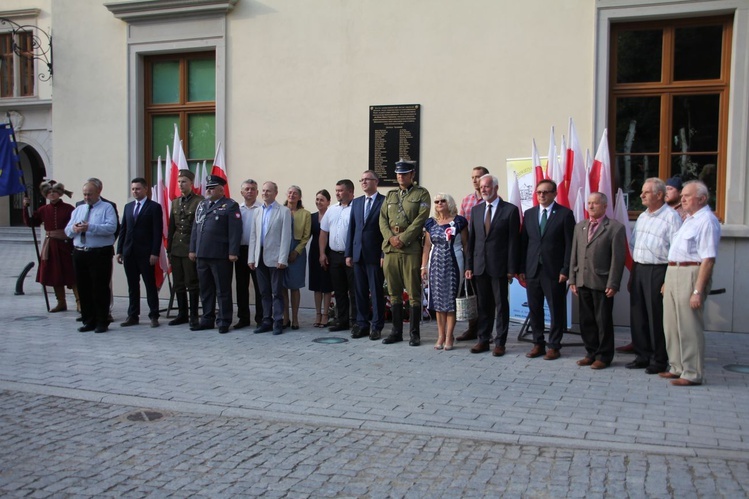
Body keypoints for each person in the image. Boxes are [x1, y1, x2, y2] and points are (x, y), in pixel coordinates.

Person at [661, 180, 720, 386]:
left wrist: (697, 290)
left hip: (691, 272)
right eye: (682, 194)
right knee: (671, 324)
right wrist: (668, 280)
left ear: (702, 199)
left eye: (687, 195)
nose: (682, 198)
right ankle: (677, 366)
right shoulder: (689, 219)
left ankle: (692, 373)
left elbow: (708, 259)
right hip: (674, 271)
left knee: (689, 325)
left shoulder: (707, 221)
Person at [627, 178, 682, 374]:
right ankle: (642, 355)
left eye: (646, 192)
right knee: (638, 314)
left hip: (659, 270)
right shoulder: (642, 216)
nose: (641, 195)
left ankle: (659, 360)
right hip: (640, 267)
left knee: (656, 317)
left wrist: (668, 279)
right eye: (642, 192)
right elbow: (633, 244)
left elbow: (676, 250)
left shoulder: (671, 217)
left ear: (659, 195)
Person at [518, 179, 575, 360]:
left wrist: (565, 269)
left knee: (556, 309)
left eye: (546, 192)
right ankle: (538, 344)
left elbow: (570, 245)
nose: (541, 195)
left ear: (554, 194)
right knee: (535, 309)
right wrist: (521, 268)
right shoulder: (529, 214)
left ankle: (554, 345)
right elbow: (524, 243)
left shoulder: (565, 214)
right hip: (533, 269)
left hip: (554, 271)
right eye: (539, 192)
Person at [569, 192, 626, 370]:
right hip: (582, 280)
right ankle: (591, 352)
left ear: (604, 206)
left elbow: (618, 259)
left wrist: (613, 283)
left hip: (602, 282)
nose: (591, 206)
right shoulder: (580, 226)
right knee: (586, 321)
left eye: (595, 203)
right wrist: (572, 278)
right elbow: (574, 255)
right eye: (589, 203)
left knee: (603, 321)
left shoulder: (615, 228)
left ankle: (604, 356)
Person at [465, 174, 520, 356]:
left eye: (487, 186)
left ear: (496, 188)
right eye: (481, 187)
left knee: (501, 305)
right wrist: (469, 266)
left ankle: (500, 342)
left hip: (500, 267)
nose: (483, 190)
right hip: (480, 266)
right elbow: (472, 241)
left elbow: (514, 242)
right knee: (483, 305)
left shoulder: (510, 210)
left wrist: (512, 269)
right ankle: (483, 339)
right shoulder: (476, 210)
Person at [379, 159, 431, 346]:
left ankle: (414, 333)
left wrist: (403, 238)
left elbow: (420, 220)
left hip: (410, 248)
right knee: (393, 291)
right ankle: (396, 331)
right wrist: (391, 238)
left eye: (405, 173)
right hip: (391, 248)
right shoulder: (391, 195)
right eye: (399, 174)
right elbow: (382, 219)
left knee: (413, 291)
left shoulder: (421, 194)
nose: (401, 176)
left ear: (412, 175)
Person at [189, 175, 242, 334]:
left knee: (222, 290)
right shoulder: (202, 204)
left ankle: (224, 320)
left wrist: (233, 252)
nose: (208, 190)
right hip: (202, 254)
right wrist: (192, 248)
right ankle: (207, 319)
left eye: (212, 188)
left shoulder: (230, 205)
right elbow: (195, 228)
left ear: (221, 189)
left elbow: (235, 231)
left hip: (220, 255)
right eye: (207, 188)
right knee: (205, 289)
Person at [65, 180, 118, 333]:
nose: (87, 197)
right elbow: (67, 230)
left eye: (90, 194)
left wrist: (91, 227)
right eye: (85, 194)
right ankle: (88, 320)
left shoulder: (107, 207)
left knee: (100, 288)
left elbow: (111, 227)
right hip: (80, 252)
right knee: (83, 288)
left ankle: (102, 320)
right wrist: (74, 228)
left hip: (99, 253)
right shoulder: (79, 209)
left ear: (98, 193)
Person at [420, 193, 468, 350]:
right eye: (437, 202)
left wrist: (469, 266)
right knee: (438, 302)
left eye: (443, 201)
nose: (440, 204)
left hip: (454, 263)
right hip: (435, 264)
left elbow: (466, 245)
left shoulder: (459, 222)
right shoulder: (431, 223)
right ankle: (440, 335)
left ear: (450, 203)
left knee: (450, 301)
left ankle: (449, 336)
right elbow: (427, 247)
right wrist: (423, 266)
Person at [23, 180, 77, 313]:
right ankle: (61, 302)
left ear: (59, 193)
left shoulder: (69, 208)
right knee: (55, 274)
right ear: (45, 195)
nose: (52, 194)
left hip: (66, 245)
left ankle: (79, 302)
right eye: (49, 192)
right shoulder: (43, 210)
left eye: (54, 192)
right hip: (51, 246)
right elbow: (31, 222)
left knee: (72, 273)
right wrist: (26, 207)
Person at [116, 178, 164, 328]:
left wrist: (154, 253)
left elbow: (157, 232)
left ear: (145, 189)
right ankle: (133, 315)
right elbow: (123, 229)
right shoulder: (128, 207)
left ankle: (154, 315)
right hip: (129, 252)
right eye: (133, 189)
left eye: (138, 189)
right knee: (132, 286)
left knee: (150, 285)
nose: (135, 191)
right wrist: (119, 250)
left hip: (146, 253)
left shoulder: (154, 207)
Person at [346, 170, 386, 340]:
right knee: (360, 291)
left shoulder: (384, 202)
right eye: (361, 180)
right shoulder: (356, 202)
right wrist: (349, 253)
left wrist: (384, 253)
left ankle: (376, 326)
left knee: (376, 292)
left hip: (375, 254)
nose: (363, 182)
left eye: (367, 179)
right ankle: (362, 324)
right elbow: (352, 229)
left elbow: (386, 230)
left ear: (375, 182)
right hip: (358, 253)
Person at [249, 181, 292, 335]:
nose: (265, 193)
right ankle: (266, 320)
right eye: (264, 191)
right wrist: (251, 258)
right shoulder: (257, 211)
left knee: (277, 292)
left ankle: (278, 321)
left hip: (275, 257)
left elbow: (286, 237)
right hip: (259, 256)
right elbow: (253, 236)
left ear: (275, 192)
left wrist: (283, 259)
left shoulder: (284, 211)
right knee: (264, 292)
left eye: (268, 191)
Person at [167, 169, 204, 328]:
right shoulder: (175, 202)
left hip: (190, 246)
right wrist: (169, 249)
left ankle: (194, 315)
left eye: (184, 181)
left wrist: (195, 249)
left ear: (191, 183)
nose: (181, 184)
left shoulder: (199, 201)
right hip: (176, 247)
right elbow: (171, 227)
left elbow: (199, 227)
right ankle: (182, 313)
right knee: (179, 283)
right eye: (179, 181)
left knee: (192, 282)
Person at [456, 166, 489, 342]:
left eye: (479, 177)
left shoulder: (492, 201)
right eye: (473, 177)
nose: (476, 180)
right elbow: (461, 225)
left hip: (487, 253)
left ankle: (487, 331)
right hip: (470, 251)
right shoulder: (467, 200)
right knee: (471, 292)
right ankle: (472, 328)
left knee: (486, 296)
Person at [319, 179, 357, 333]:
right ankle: (342, 321)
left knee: (355, 291)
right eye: (336, 190)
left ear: (350, 191)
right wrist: (322, 253)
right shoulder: (332, 210)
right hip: (334, 255)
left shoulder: (357, 208)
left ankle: (356, 321)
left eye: (340, 190)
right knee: (339, 290)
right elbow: (323, 232)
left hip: (352, 256)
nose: (337, 193)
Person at [235, 179, 263, 329]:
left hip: (257, 252)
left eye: (253, 189)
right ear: (242, 192)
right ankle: (243, 318)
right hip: (241, 251)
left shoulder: (262, 208)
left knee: (259, 287)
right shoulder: (237, 209)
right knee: (241, 286)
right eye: (247, 189)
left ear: (257, 192)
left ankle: (260, 318)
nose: (250, 191)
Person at [283, 185, 311, 330]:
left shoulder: (305, 214)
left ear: (299, 197)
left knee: (294, 286)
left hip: (297, 251)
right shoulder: (281, 211)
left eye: (295, 193)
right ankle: (285, 317)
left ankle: (295, 318)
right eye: (290, 192)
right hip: (281, 249)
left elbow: (306, 236)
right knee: (282, 286)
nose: (292, 195)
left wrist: (296, 251)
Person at [308, 189, 333, 328]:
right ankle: (317, 314)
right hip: (314, 252)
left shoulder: (331, 215)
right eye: (317, 199)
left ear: (328, 202)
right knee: (316, 285)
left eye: (322, 199)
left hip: (328, 251)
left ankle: (325, 314)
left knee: (327, 285)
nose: (319, 202)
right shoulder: (312, 217)